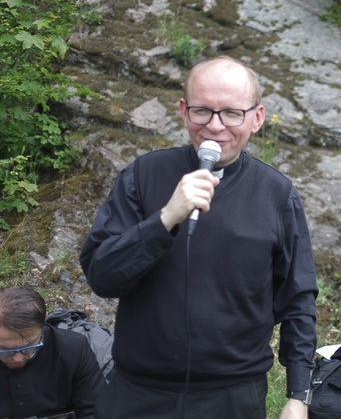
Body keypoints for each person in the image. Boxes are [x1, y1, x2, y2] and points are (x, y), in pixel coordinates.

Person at [80, 56, 318, 418]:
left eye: (231, 113)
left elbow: (298, 299)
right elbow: (102, 276)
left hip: (232, 395)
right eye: (202, 111)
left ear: (257, 117)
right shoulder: (143, 176)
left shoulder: (277, 194)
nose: (215, 126)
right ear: (183, 111)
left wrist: (298, 395)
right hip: (138, 391)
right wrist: (164, 219)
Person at [0, 286, 106, 419]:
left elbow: (97, 410)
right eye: (5, 349)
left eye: (29, 346)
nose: (18, 359)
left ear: (44, 319)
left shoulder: (74, 349)